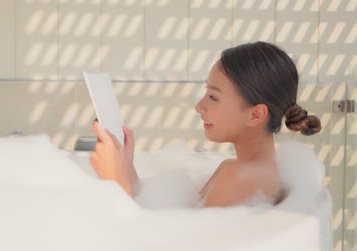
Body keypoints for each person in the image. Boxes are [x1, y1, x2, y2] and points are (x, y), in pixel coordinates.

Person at [89, 41, 321, 208]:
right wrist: (127, 170)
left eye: (213, 97)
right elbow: (177, 229)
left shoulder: (241, 177)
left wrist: (115, 183)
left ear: (255, 114)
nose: (199, 107)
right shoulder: (246, 169)